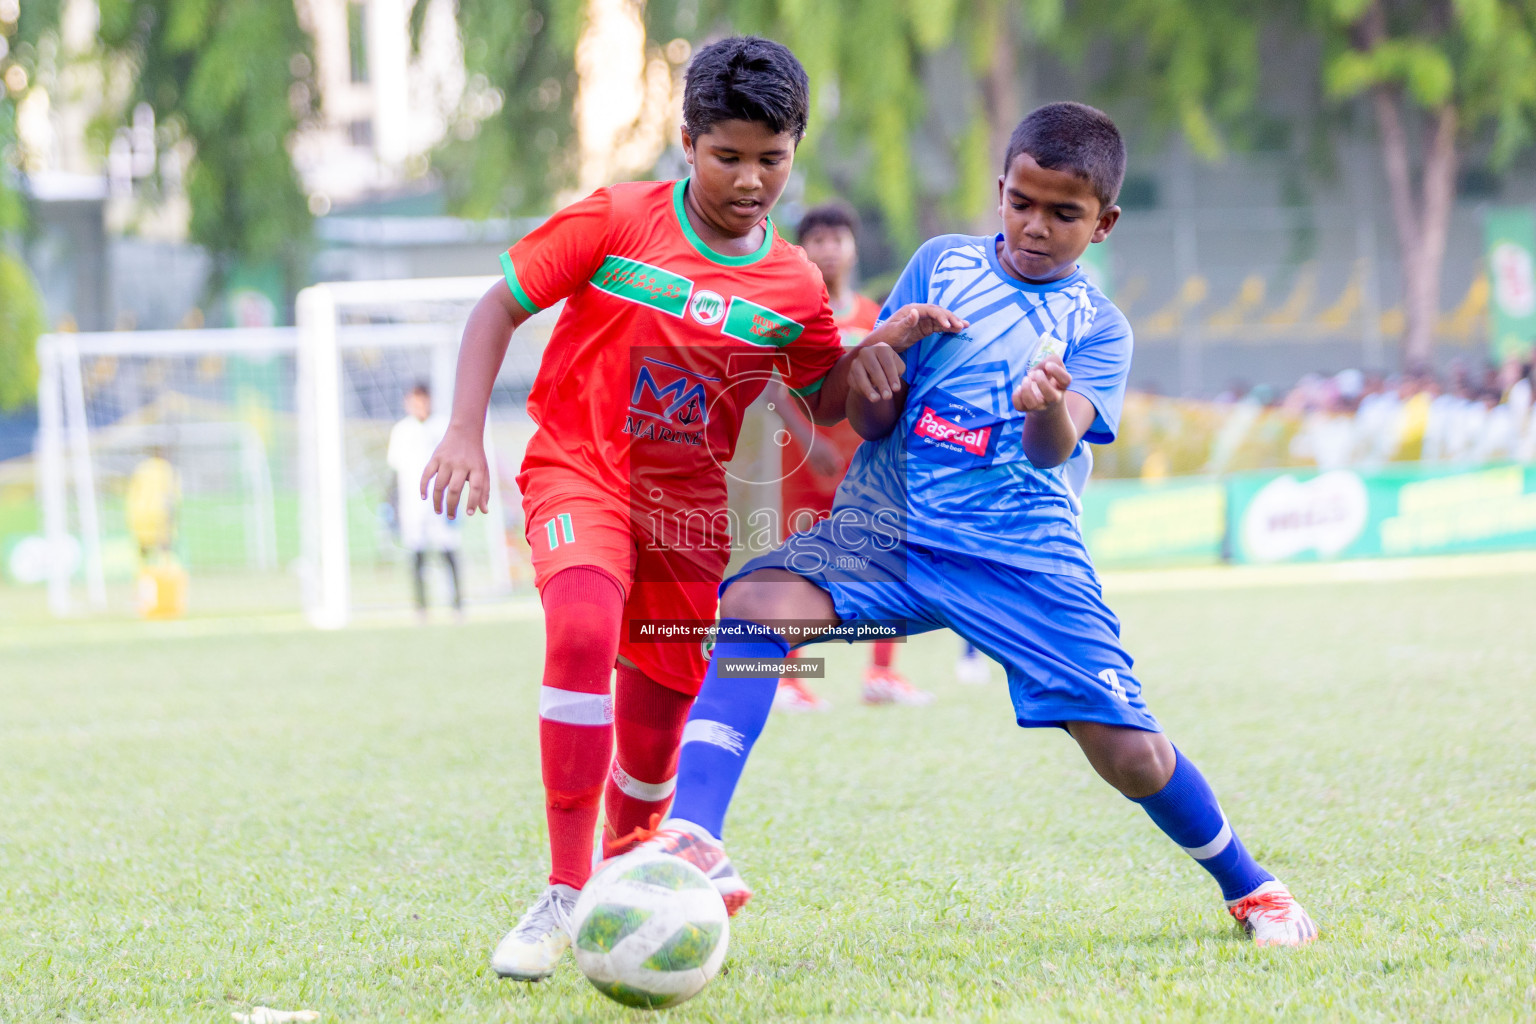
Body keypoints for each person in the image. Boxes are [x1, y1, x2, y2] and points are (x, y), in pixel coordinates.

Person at [621, 102, 1319, 949]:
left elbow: (1053, 446)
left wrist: (1047, 403)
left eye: (1065, 214)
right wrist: (879, 356)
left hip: (1021, 557)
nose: (1036, 226)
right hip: (890, 531)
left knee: (1131, 755)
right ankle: (696, 837)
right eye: (1023, 203)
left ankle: (1253, 887)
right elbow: (876, 415)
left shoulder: (1100, 329)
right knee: (758, 603)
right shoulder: (940, 267)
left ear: (1104, 223)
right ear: (1000, 191)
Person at [418, 35, 964, 982]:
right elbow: (497, 309)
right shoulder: (618, 220)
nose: (751, 178)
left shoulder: (793, 283)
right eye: (729, 156)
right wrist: (463, 428)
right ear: (686, 142)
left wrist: (883, 344)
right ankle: (560, 889)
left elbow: (820, 400)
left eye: (772, 158)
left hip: (690, 519)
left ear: (794, 151)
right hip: (578, 471)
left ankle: (636, 862)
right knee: (582, 627)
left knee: (657, 728)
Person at [769, 202, 931, 711]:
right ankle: (787, 680)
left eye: (838, 238)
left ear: (853, 247)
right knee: (796, 569)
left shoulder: (873, 316)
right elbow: (773, 388)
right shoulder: (796, 319)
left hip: (867, 471)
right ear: (804, 250)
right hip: (802, 467)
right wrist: (809, 435)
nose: (829, 249)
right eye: (817, 240)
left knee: (886, 563)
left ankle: (881, 674)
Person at [387, 384, 463, 619]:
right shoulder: (401, 430)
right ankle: (421, 607)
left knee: (447, 549)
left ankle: (457, 605)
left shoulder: (442, 427)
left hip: (440, 502)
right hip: (413, 504)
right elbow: (396, 467)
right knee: (416, 552)